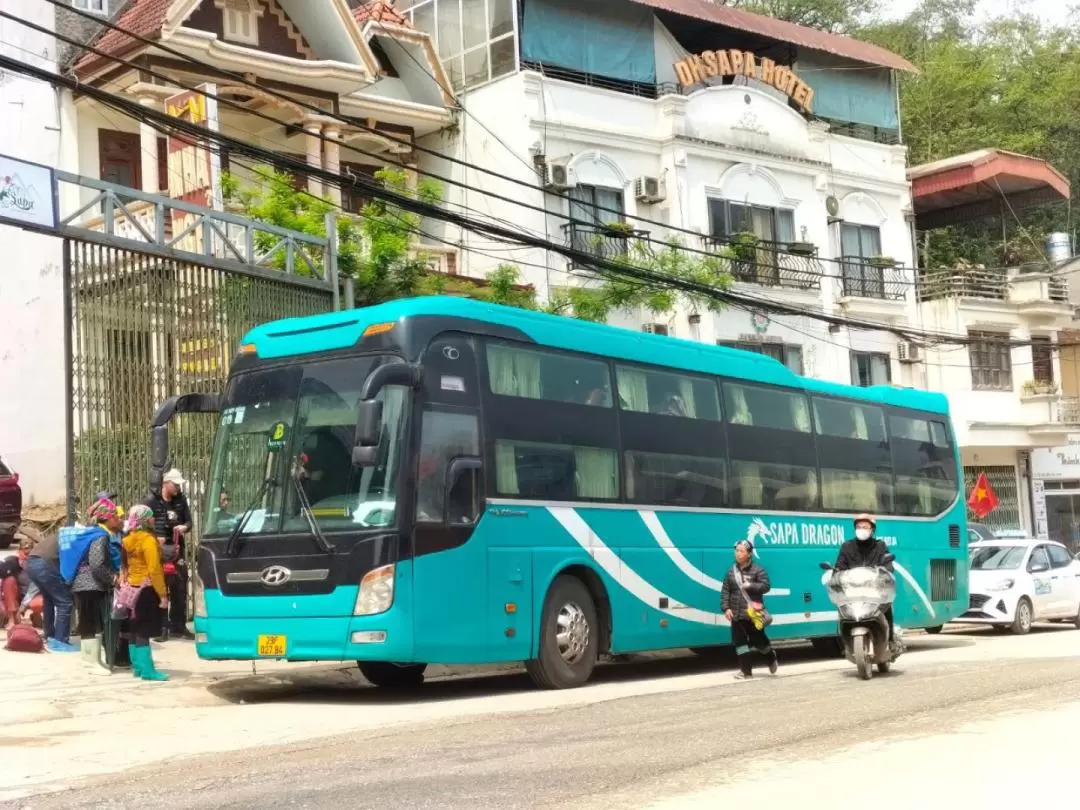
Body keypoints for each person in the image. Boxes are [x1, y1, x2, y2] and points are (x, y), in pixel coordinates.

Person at [70, 499, 121, 672]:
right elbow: (97, 563)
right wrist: (113, 579)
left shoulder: (92, 533)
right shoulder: (101, 536)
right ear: (106, 518)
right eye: (114, 515)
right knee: (90, 623)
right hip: (90, 584)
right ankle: (90, 662)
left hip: (83, 584)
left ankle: (92, 660)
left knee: (88, 622)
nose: (118, 518)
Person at [143, 468, 194, 641]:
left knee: (180, 587)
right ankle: (162, 627)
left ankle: (178, 625)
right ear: (166, 483)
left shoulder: (180, 500)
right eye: (175, 484)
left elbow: (189, 521)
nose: (178, 488)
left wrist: (184, 527)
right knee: (160, 588)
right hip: (157, 551)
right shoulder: (151, 501)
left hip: (176, 550)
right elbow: (142, 522)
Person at [121, 505, 170, 681]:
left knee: (134, 629)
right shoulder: (148, 540)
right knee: (144, 630)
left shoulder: (127, 540)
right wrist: (163, 595)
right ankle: (148, 671)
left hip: (131, 589)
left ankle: (138, 668)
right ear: (144, 520)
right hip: (147, 589)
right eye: (151, 517)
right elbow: (154, 569)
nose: (154, 519)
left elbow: (125, 566)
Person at [834, 513, 895, 644]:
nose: (862, 529)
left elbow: (888, 566)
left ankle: (890, 640)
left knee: (887, 606)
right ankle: (844, 643)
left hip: (874, 591)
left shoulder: (880, 546)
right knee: (842, 610)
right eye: (859, 526)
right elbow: (839, 566)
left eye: (865, 527)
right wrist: (837, 574)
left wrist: (885, 571)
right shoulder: (847, 546)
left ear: (872, 529)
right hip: (852, 592)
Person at [721, 539, 778, 679]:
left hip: (754, 613)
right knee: (740, 642)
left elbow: (766, 586)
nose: (738, 554)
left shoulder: (758, 570)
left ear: (749, 554)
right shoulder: (731, 571)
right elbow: (725, 591)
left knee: (759, 641)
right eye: (736, 551)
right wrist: (726, 608)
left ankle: (771, 658)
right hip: (736, 613)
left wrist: (750, 585)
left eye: (741, 551)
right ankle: (746, 671)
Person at [26, 529, 77, 652]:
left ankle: (50, 636)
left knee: (49, 600)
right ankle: (60, 641)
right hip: (44, 565)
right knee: (65, 602)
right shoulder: (77, 537)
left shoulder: (62, 534)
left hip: (32, 564)